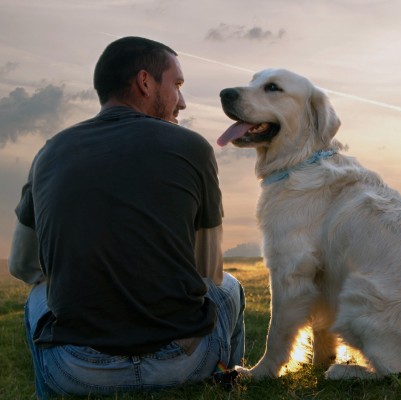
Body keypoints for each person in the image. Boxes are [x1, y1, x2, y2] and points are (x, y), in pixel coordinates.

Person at [8, 36, 245, 399]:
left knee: (39, 294)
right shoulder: (192, 146)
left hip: (79, 371)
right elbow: (208, 269)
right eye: (177, 85)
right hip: (182, 363)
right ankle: (225, 383)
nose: (182, 101)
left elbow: (22, 266)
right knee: (228, 286)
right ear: (145, 82)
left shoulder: (49, 152)